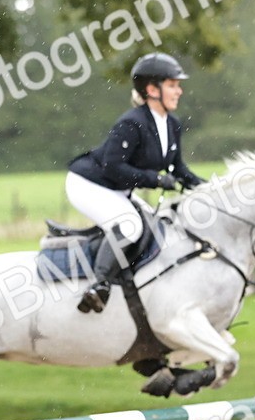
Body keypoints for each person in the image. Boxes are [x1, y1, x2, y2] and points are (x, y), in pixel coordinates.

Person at [66, 53, 207, 313]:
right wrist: (154, 179)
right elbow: (114, 167)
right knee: (130, 226)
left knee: (154, 225)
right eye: (173, 85)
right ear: (152, 90)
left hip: (116, 189)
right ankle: (99, 286)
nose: (180, 91)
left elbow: (178, 168)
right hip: (87, 185)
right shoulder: (131, 123)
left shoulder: (172, 124)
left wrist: (209, 189)